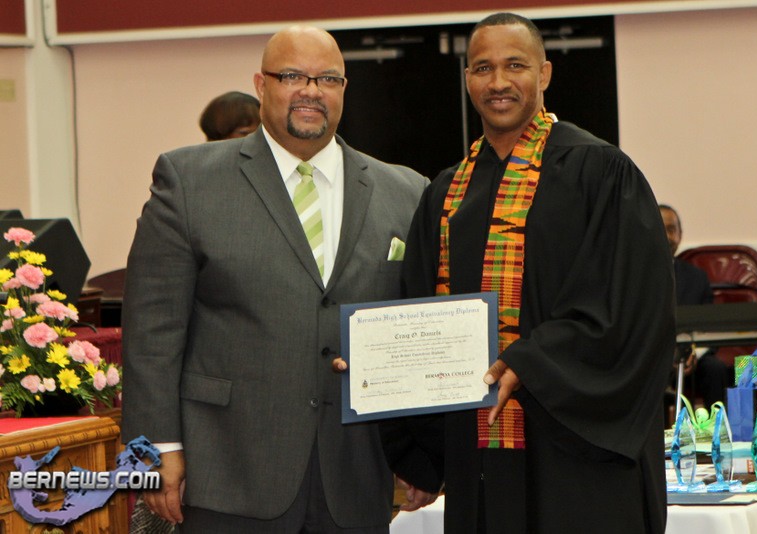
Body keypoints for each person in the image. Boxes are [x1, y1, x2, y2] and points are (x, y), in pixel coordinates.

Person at [121, 25, 433, 533]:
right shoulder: (189, 181)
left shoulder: (406, 190)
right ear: (260, 85)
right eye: (292, 76)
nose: (311, 90)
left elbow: (417, 330)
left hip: (358, 475)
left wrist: (421, 452)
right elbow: (152, 331)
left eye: (327, 78)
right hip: (228, 470)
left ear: (344, 89)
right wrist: (155, 448)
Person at [382, 12, 675, 534]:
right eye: (483, 68)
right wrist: (406, 424)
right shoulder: (447, 194)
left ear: (544, 74)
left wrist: (529, 363)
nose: (498, 82)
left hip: (577, 455)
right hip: (480, 456)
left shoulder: (601, 173)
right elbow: (421, 314)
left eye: (514, 65)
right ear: (468, 79)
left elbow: (632, 312)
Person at [660, 204, 730, 407]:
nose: (667, 236)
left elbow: (710, 328)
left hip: (693, 356)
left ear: (680, 235)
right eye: (661, 228)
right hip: (654, 358)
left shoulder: (697, 277)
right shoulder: (634, 276)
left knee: (715, 369)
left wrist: (692, 354)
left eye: (671, 229)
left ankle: (717, 425)